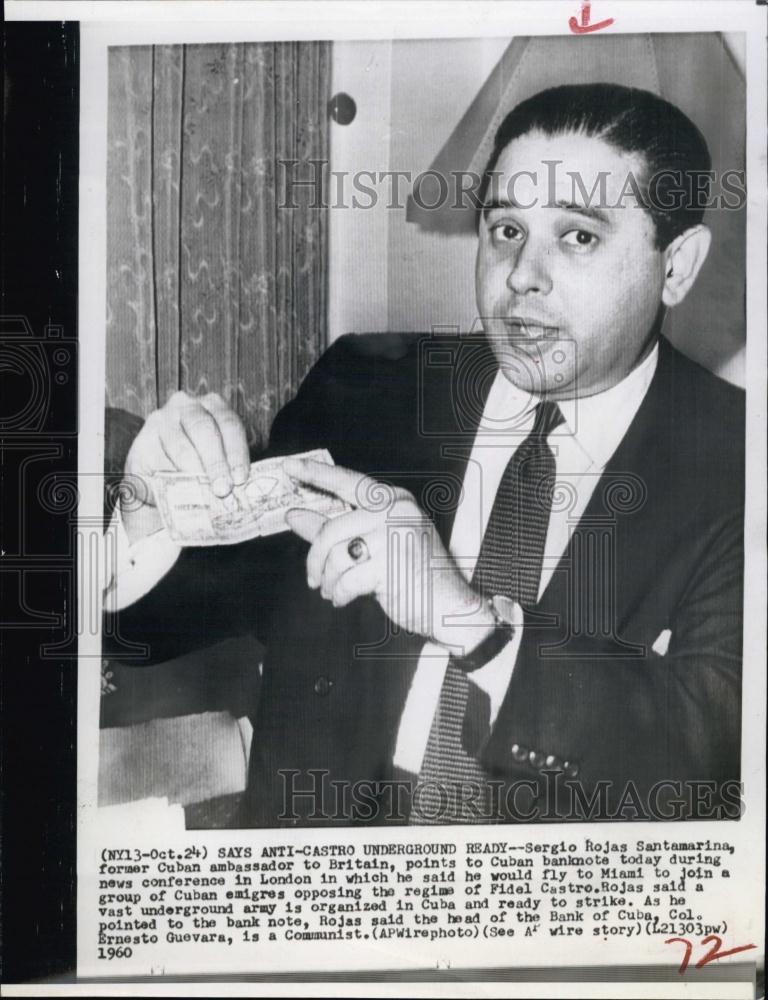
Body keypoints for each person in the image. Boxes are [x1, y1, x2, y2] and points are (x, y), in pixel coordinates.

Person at [104, 83, 744, 826]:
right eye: (506, 230)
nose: (521, 278)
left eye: (578, 237)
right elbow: (149, 632)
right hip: (309, 877)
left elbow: (710, 756)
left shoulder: (737, 464)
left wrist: (476, 626)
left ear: (677, 266)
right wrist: (146, 514)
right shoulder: (365, 389)